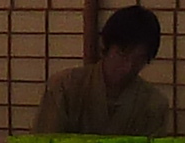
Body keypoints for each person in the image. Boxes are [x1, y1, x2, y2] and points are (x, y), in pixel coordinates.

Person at [36, 7, 170, 136]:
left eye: (139, 59)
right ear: (105, 45)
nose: (128, 66)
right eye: (122, 53)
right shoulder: (65, 87)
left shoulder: (153, 104)